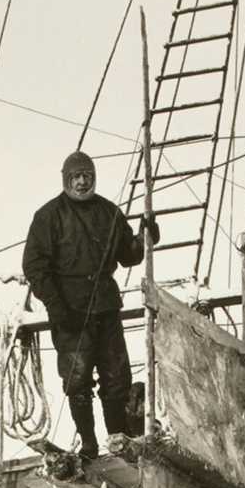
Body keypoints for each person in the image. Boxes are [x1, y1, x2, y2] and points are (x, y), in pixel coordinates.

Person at [22, 150, 159, 463]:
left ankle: (118, 441)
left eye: (87, 176)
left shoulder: (109, 213)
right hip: (69, 312)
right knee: (78, 382)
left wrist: (145, 236)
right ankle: (88, 445)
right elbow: (34, 266)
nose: (82, 182)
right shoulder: (49, 217)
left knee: (117, 381)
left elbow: (129, 255)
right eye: (76, 177)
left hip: (105, 308)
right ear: (66, 180)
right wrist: (56, 306)